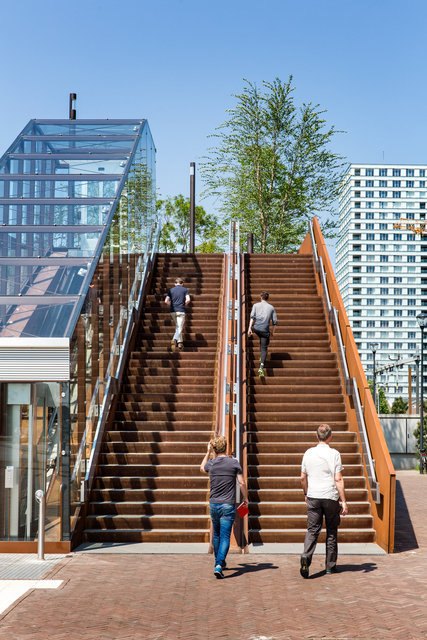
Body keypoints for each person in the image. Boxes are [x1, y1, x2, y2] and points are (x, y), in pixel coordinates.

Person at [300, 423, 348, 578]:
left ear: (316, 436)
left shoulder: (308, 453)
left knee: (312, 530)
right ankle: (330, 566)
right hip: (330, 496)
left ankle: (306, 556)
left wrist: (306, 493)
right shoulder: (334, 454)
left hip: (313, 495)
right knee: (332, 531)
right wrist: (344, 501)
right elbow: (338, 479)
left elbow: (302, 477)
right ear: (330, 437)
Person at [200, 436, 249, 579]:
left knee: (216, 534)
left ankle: (218, 561)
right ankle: (219, 564)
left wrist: (207, 452)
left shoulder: (212, 464)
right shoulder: (234, 463)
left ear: (214, 449)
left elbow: (201, 468)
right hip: (228, 504)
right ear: (226, 447)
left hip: (214, 503)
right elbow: (242, 483)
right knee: (226, 536)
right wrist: (245, 498)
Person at [247, 291, 278, 377]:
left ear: (261, 297)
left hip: (256, 329)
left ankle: (262, 356)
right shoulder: (271, 308)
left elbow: (252, 318)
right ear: (268, 298)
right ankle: (261, 367)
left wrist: (250, 328)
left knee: (262, 340)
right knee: (264, 348)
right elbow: (275, 322)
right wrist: (272, 332)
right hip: (265, 331)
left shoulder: (255, 305)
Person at [164, 277, 190, 351]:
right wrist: (183, 304)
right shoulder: (185, 290)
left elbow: (166, 301)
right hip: (181, 310)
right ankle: (174, 339)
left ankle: (180, 342)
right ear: (182, 284)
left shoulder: (171, 290)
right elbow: (188, 300)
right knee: (179, 327)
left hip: (173, 311)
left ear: (175, 284)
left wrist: (171, 305)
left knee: (178, 326)